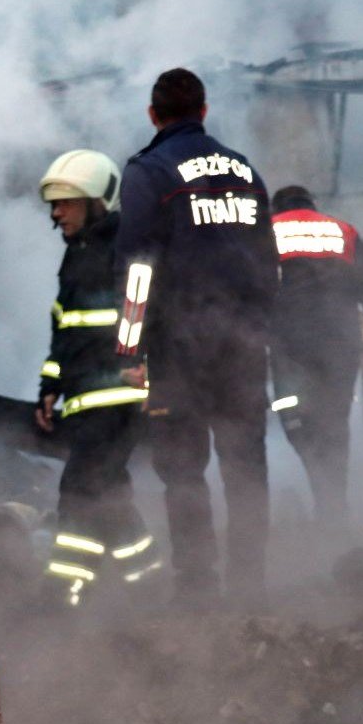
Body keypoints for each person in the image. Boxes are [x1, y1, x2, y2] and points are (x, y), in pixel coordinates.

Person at [114, 68, 279, 605]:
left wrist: (129, 347)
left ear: (153, 115)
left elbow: (138, 267)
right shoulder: (245, 170)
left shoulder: (149, 170)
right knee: (246, 465)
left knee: (184, 470)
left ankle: (198, 592)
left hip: (179, 349)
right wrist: (261, 332)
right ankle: (252, 585)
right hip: (244, 345)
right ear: (204, 111)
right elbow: (266, 262)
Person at [33, 150, 159, 608]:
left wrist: (146, 370)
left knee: (80, 489)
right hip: (84, 397)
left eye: (66, 203)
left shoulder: (122, 248)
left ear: (97, 203)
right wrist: (48, 388)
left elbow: (146, 313)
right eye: (54, 204)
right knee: (109, 490)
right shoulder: (76, 256)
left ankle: (63, 594)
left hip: (119, 396)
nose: (56, 213)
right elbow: (64, 329)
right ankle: (146, 584)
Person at [269, 186, 363, 525]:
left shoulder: (265, 233)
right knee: (335, 421)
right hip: (340, 342)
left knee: (294, 419)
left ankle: (319, 484)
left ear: (276, 207)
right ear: (313, 205)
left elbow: (245, 287)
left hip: (290, 346)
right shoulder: (342, 231)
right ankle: (333, 503)